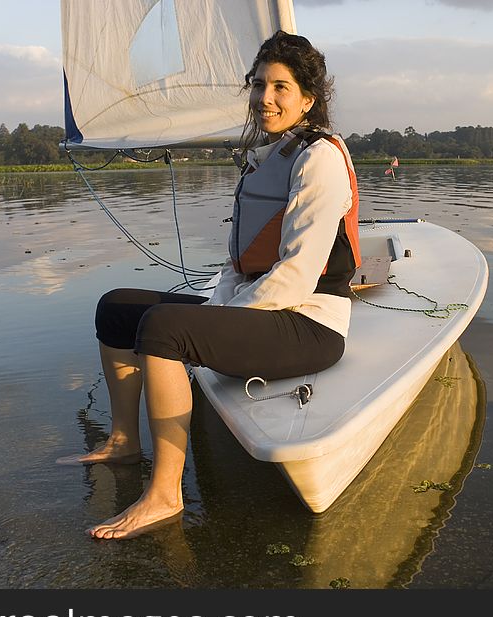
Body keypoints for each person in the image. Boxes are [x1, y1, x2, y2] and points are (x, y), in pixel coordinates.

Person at [59, 31, 360, 540]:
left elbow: (295, 276)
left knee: (164, 328)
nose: (265, 98)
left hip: (309, 323)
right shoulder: (270, 155)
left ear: (308, 98)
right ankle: (124, 441)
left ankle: (165, 495)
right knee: (115, 308)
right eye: (258, 84)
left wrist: (217, 323)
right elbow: (236, 264)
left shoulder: (320, 158)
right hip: (259, 309)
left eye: (281, 87)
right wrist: (218, 308)